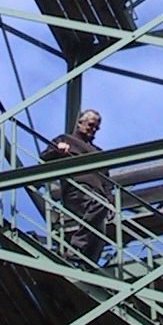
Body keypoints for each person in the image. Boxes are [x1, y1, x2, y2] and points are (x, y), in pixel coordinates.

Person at [43, 108, 113, 259]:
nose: (93, 130)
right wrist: (57, 150)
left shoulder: (98, 152)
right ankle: (75, 250)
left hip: (97, 193)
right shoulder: (66, 139)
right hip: (76, 189)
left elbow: (107, 180)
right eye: (90, 125)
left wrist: (111, 201)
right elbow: (44, 157)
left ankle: (86, 263)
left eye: (96, 128)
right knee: (99, 206)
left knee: (100, 233)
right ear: (80, 122)